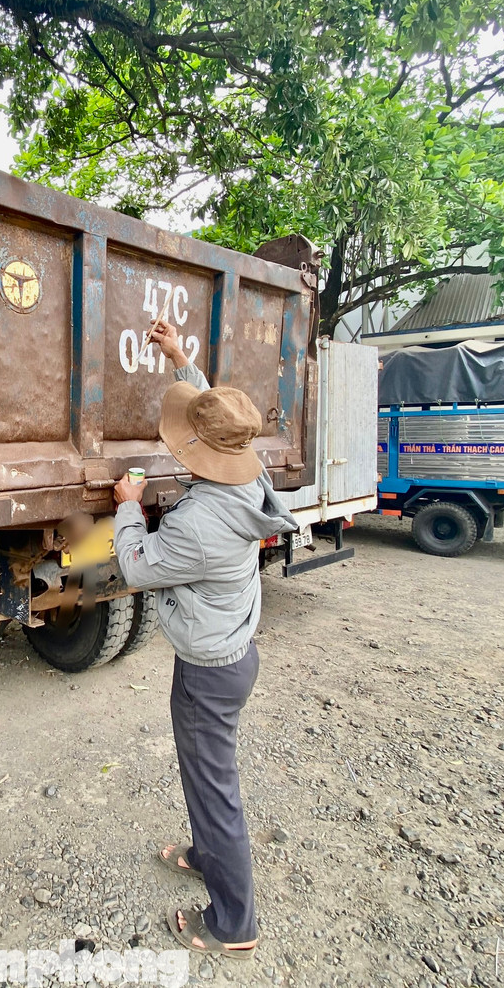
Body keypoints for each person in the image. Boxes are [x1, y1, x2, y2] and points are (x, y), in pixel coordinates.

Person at [111, 319, 297, 962]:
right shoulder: (248, 478)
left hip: (209, 671)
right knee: (204, 777)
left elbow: (136, 565)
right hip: (231, 650)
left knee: (216, 790)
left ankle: (234, 924)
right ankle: (203, 853)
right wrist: (181, 360)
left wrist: (129, 504)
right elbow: (217, 421)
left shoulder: (196, 525)